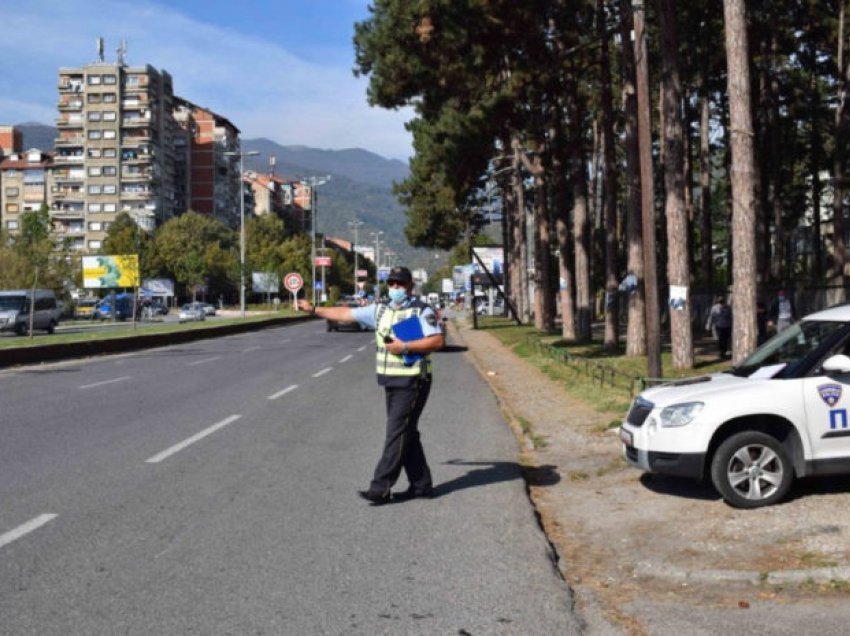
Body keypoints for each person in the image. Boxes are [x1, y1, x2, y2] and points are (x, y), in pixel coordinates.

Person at [297, 266, 445, 505]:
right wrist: (314, 309)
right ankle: (421, 485)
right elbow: (346, 314)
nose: (396, 288)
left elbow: (437, 341)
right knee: (406, 433)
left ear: (410, 287)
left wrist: (405, 347)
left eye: (401, 284)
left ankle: (380, 487)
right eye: (392, 284)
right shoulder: (380, 310)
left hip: (413, 380)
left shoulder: (421, 310)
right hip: (390, 380)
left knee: (396, 433)